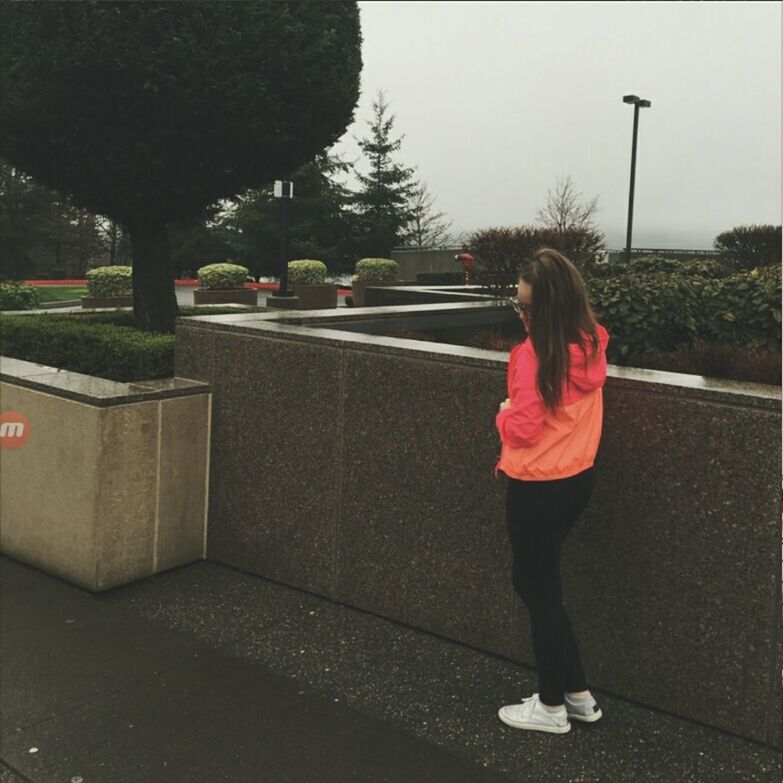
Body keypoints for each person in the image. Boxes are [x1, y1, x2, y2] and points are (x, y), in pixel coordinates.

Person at [494, 247, 609, 735]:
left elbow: (520, 429)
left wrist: (501, 411)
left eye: (525, 307)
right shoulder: (589, 342)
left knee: (536, 588)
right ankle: (578, 694)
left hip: (535, 484)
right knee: (543, 587)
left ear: (545, 309)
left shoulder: (533, 355)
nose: (521, 315)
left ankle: (550, 705)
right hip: (576, 479)